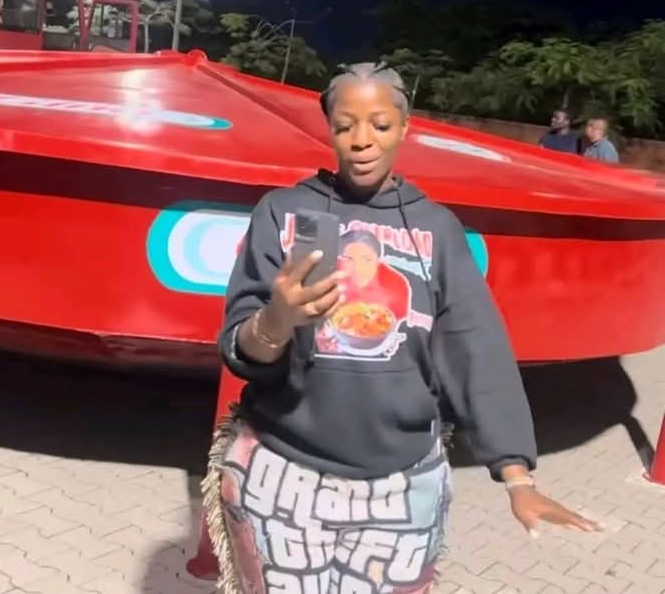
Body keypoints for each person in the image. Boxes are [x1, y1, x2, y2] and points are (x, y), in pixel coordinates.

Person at [208, 62, 599, 594]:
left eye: (380, 125)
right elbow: (239, 347)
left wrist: (517, 478)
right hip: (282, 471)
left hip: (402, 487)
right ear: (329, 130)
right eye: (345, 126)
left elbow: (474, 349)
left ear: (405, 128)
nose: (361, 141)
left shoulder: (437, 228)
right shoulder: (282, 212)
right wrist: (278, 317)